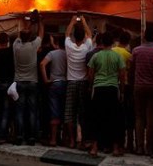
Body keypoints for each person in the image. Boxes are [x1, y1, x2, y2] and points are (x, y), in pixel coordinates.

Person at [87, 32, 125, 157]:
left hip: (99, 89)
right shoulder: (118, 57)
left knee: (96, 118)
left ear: (102, 42)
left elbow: (91, 74)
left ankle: (94, 148)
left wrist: (90, 87)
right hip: (112, 89)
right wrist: (122, 91)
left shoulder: (96, 56)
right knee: (114, 119)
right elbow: (122, 75)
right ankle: (115, 148)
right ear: (113, 43)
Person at [12, 12, 44, 145]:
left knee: (19, 110)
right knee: (32, 110)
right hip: (32, 82)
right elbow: (41, 34)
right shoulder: (33, 46)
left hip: (19, 82)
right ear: (30, 37)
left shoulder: (16, 46)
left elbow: (21, 35)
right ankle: (31, 137)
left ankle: (19, 136)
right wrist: (39, 21)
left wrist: (29, 23)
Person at [64, 15, 93, 149]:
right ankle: (82, 140)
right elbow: (90, 34)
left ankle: (71, 140)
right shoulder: (86, 47)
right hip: (83, 83)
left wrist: (72, 21)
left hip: (71, 82)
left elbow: (66, 33)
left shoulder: (69, 46)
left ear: (74, 37)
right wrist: (84, 22)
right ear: (84, 38)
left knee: (70, 113)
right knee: (83, 113)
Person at [131, 26, 153, 156]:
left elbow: (132, 69)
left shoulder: (136, 51)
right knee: (151, 118)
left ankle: (139, 147)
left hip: (139, 87)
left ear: (144, 36)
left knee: (139, 117)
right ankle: (150, 148)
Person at [40, 35, 67, 147]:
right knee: (64, 111)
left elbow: (42, 64)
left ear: (57, 43)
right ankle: (64, 138)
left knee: (54, 111)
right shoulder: (68, 54)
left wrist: (46, 79)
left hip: (54, 84)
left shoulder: (52, 53)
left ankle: (53, 139)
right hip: (65, 83)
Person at [111, 30, 134, 153]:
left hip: (112, 86)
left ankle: (110, 142)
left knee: (112, 115)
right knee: (125, 116)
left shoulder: (112, 52)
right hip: (124, 87)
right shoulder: (128, 55)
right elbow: (129, 73)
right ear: (128, 42)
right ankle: (126, 143)